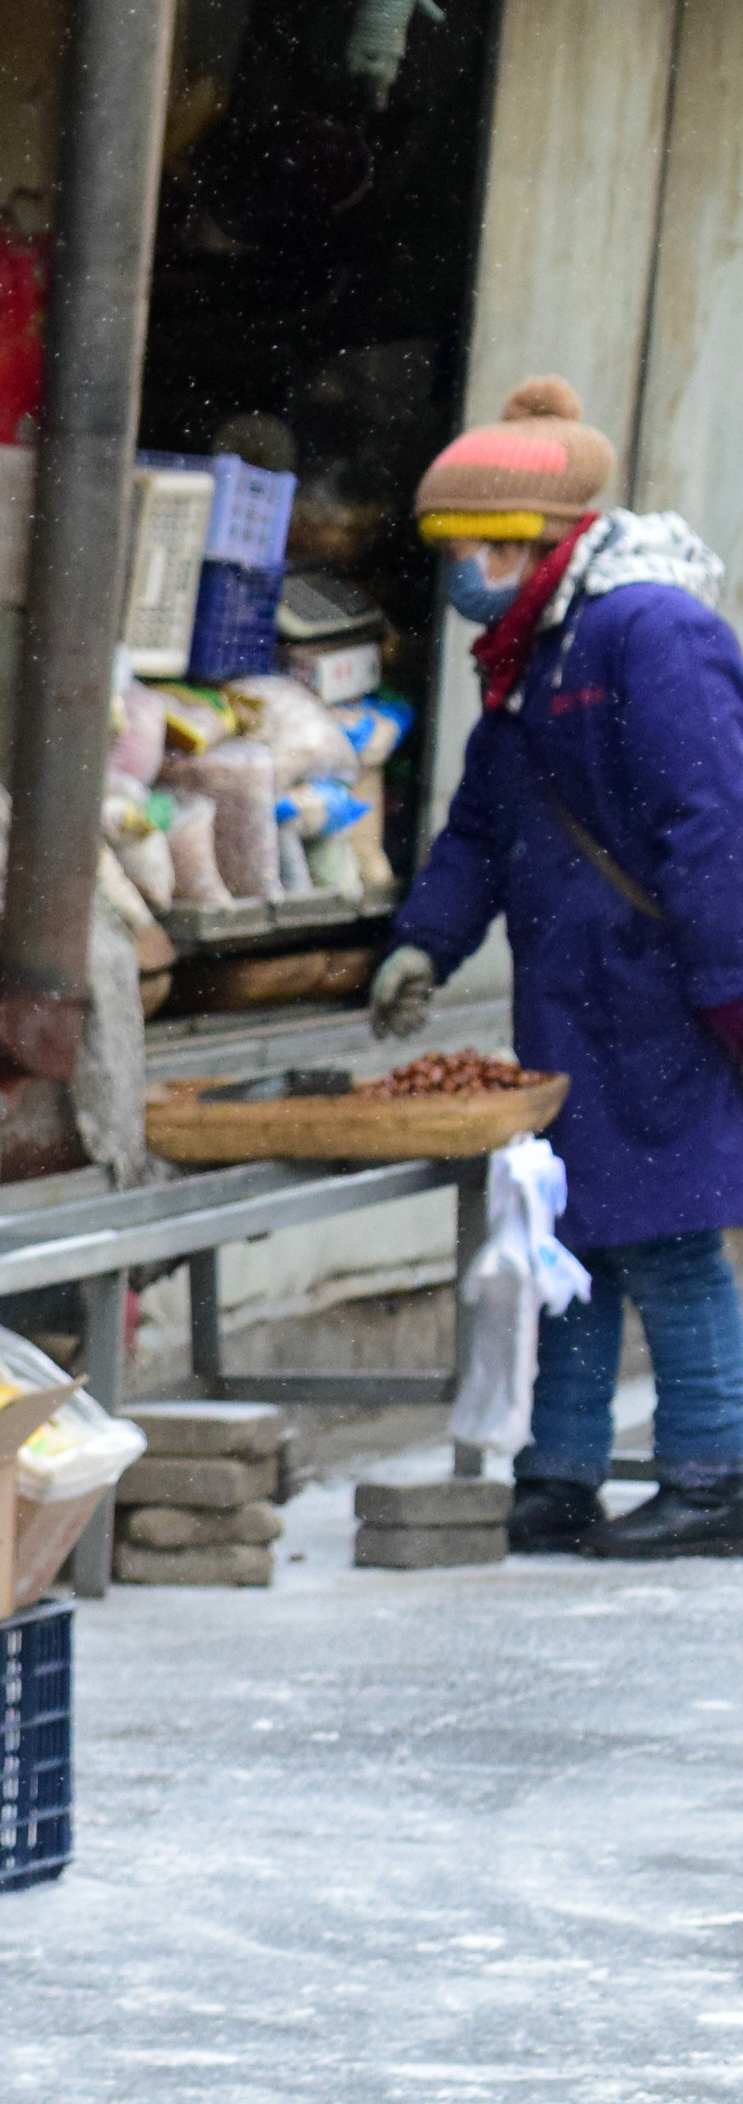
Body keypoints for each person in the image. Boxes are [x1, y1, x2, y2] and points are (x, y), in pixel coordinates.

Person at [372, 375, 743, 1558]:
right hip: (570, 1002)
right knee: (569, 1238)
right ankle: (558, 1473)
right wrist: (422, 942)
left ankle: (713, 1476)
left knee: (668, 1238)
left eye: (470, 546)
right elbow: (480, 828)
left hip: (664, 993)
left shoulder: (649, 629)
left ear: (531, 541)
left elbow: (713, 825)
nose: (457, 571)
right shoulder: (525, 653)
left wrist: (725, 988)